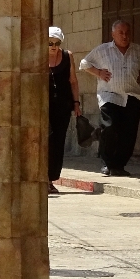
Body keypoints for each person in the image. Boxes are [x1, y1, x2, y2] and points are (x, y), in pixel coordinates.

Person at [80, 19, 140, 177]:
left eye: (127, 33)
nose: (124, 36)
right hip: (110, 95)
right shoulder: (103, 50)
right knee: (110, 127)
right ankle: (108, 163)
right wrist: (98, 73)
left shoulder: (138, 51)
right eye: (121, 33)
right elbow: (84, 63)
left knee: (129, 132)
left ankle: (119, 165)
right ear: (113, 34)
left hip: (133, 95)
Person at [47, 26, 81, 195]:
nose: (53, 46)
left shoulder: (68, 56)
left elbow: (73, 81)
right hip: (43, 107)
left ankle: (51, 178)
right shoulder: (38, 56)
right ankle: (43, 178)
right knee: (47, 140)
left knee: (58, 141)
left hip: (63, 105)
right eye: (50, 43)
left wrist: (76, 103)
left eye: (57, 43)